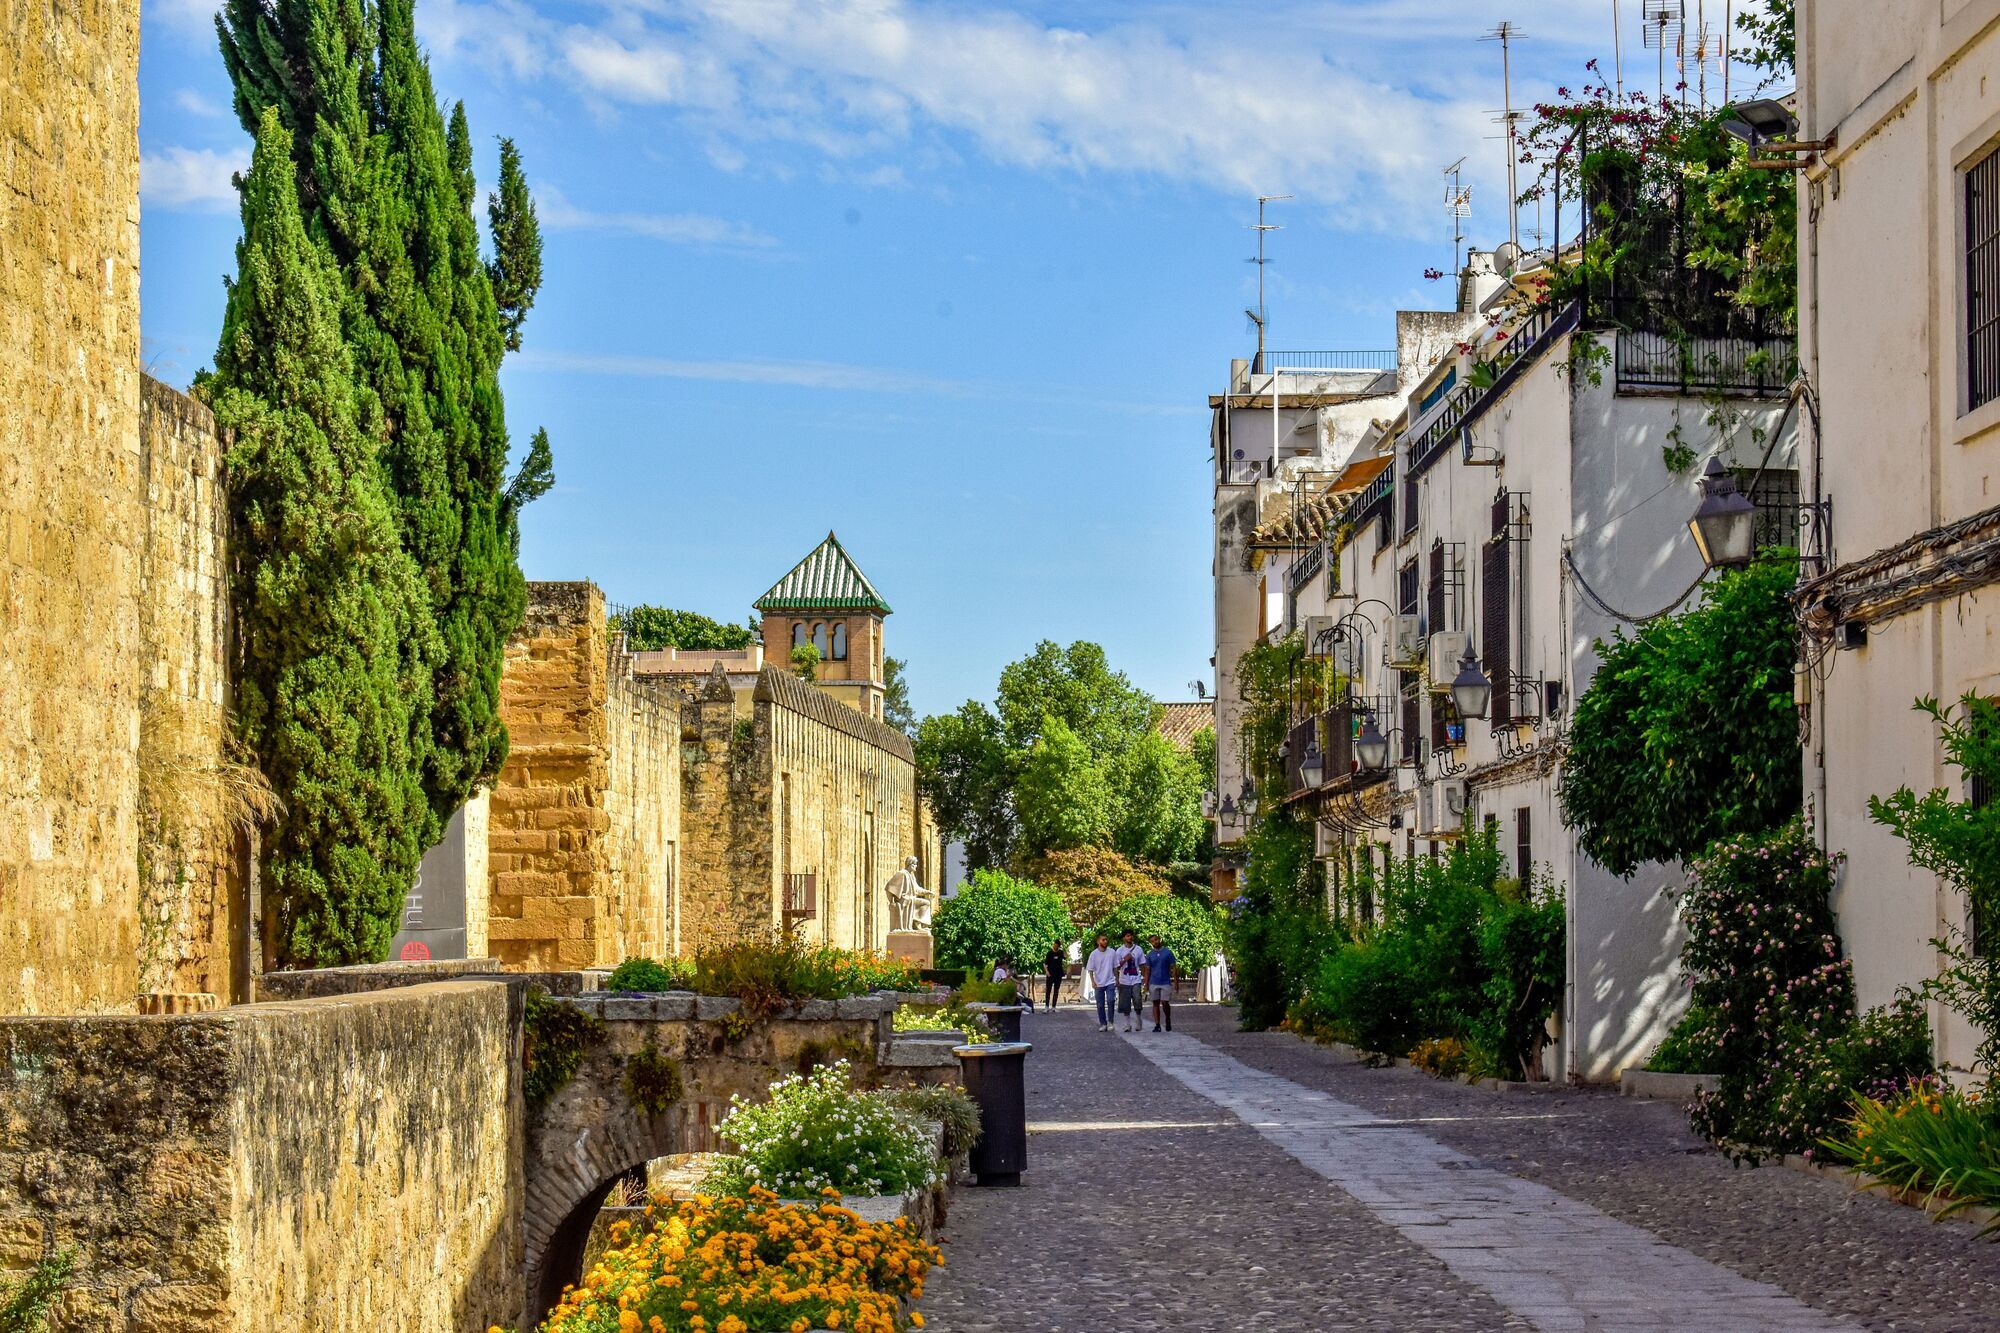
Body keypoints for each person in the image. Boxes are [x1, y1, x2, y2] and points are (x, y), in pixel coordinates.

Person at [1113, 930, 1146, 1033]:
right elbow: (1117, 966)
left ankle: (1138, 1020)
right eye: (1127, 936)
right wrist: (1126, 959)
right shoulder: (1119, 951)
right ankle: (1127, 1024)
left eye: (1131, 935)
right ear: (1124, 938)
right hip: (1124, 980)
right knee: (1125, 1003)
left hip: (1136, 979)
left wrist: (1145, 977)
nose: (1130, 937)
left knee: (1137, 1000)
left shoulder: (1138, 949)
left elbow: (1142, 964)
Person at [1085, 933, 1118, 1031]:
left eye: (1106, 939)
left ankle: (1110, 1021)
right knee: (1100, 1004)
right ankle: (1103, 1024)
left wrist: (1117, 978)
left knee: (1111, 1000)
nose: (1105, 941)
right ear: (1098, 941)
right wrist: (1093, 981)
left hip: (1110, 981)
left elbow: (1115, 967)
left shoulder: (1112, 952)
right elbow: (1090, 969)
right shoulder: (1094, 954)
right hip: (1099, 982)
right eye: (1103, 940)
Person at [1144, 933, 1177, 1033]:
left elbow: (1173, 967)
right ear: (1151, 943)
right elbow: (1147, 970)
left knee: (1165, 1002)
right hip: (1154, 981)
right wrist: (1146, 983)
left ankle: (1167, 1018)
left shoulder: (1168, 952)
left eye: (1156, 940)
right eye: (1152, 941)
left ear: (1159, 940)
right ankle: (1157, 1024)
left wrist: (1176, 982)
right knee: (1155, 1003)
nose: (1155, 942)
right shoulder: (1150, 954)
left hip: (1165, 981)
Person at [1042, 942, 1065, 1012]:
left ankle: (1054, 1006)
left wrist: (1064, 947)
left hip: (1058, 974)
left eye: (1056, 946)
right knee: (1048, 990)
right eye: (1054, 945)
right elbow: (1045, 964)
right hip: (1050, 974)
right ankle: (1046, 1006)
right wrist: (1047, 971)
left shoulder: (1060, 952)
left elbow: (1066, 957)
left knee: (1056, 990)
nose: (1055, 946)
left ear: (1058, 946)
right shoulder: (1049, 953)